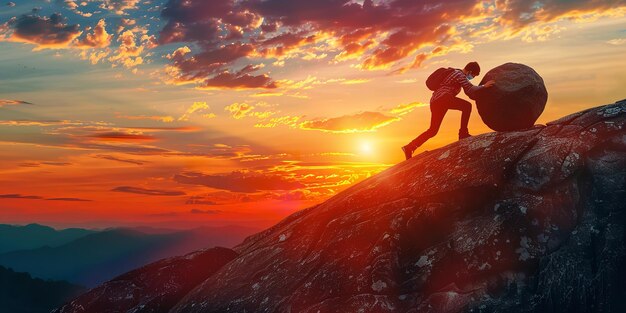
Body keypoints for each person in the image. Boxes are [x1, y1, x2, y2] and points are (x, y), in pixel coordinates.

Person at [401, 61, 496, 160]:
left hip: (436, 101)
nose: (472, 78)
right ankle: (463, 133)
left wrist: (480, 91)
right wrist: (484, 86)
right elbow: (469, 88)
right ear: (470, 71)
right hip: (443, 98)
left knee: (433, 130)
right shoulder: (459, 74)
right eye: (473, 75)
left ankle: (409, 147)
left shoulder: (456, 73)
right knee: (467, 106)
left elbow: (469, 91)